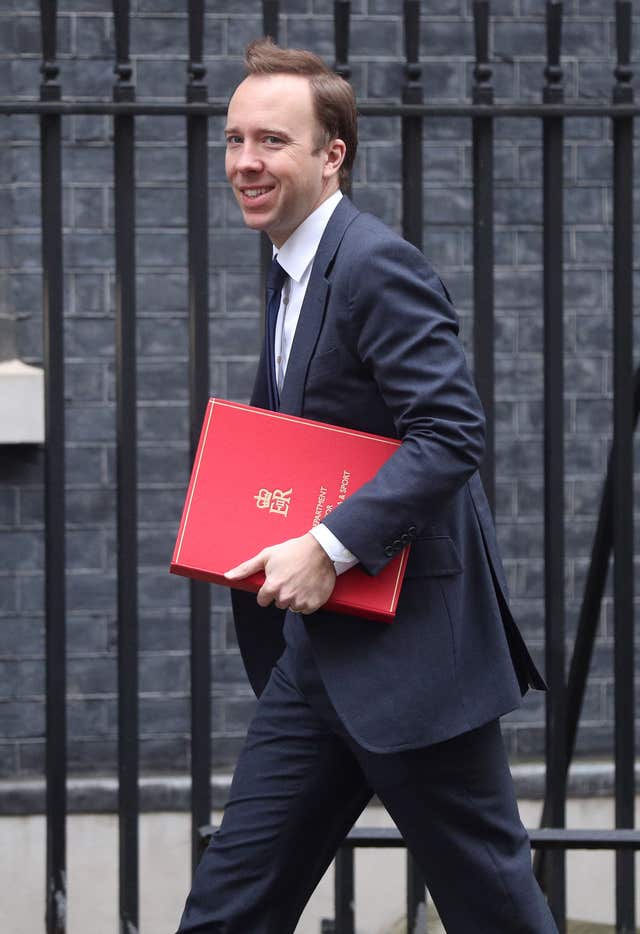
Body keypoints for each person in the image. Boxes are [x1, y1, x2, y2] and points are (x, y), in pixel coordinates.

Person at [176, 38, 558, 934]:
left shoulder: (374, 263)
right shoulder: (290, 268)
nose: (244, 162)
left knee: (492, 906)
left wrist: (327, 544)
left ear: (331, 153)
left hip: (416, 660)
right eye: (233, 140)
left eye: (271, 140)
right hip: (320, 659)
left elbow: (450, 433)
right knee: (231, 901)